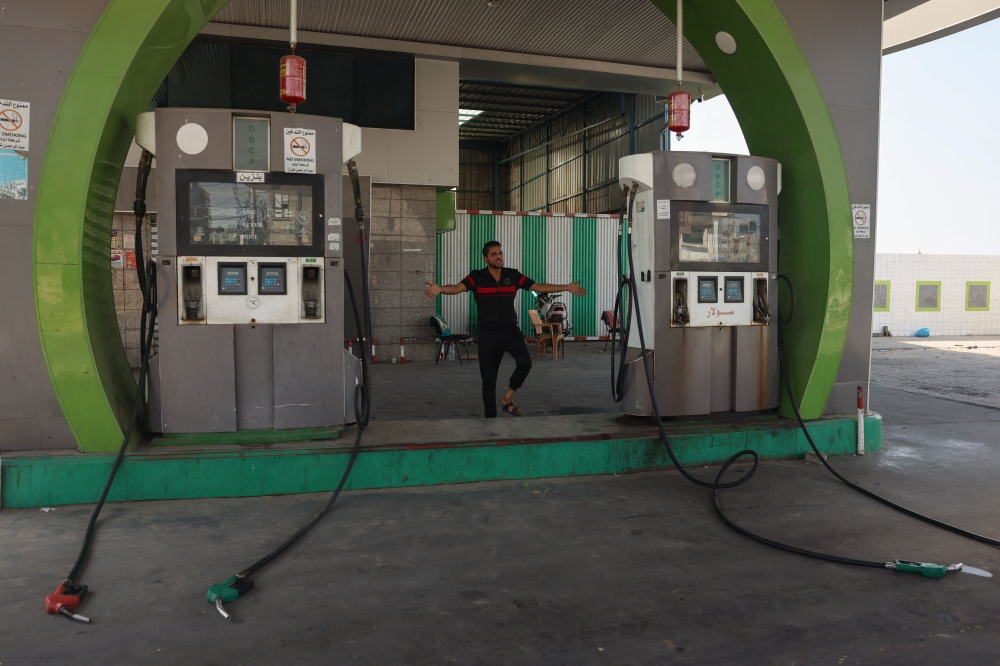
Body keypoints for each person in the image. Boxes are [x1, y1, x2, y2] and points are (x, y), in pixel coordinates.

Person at [425, 240, 588, 418]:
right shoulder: (477, 277)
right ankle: (490, 423)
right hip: (488, 335)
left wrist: (566, 287)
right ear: (485, 258)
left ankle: (507, 398)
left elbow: (537, 286)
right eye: (494, 254)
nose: (498, 256)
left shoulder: (513, 275)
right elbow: (457, 288)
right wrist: (439, 288)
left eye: (500, 253)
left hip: (511, 332)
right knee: (488, 383)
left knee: (525, 363)